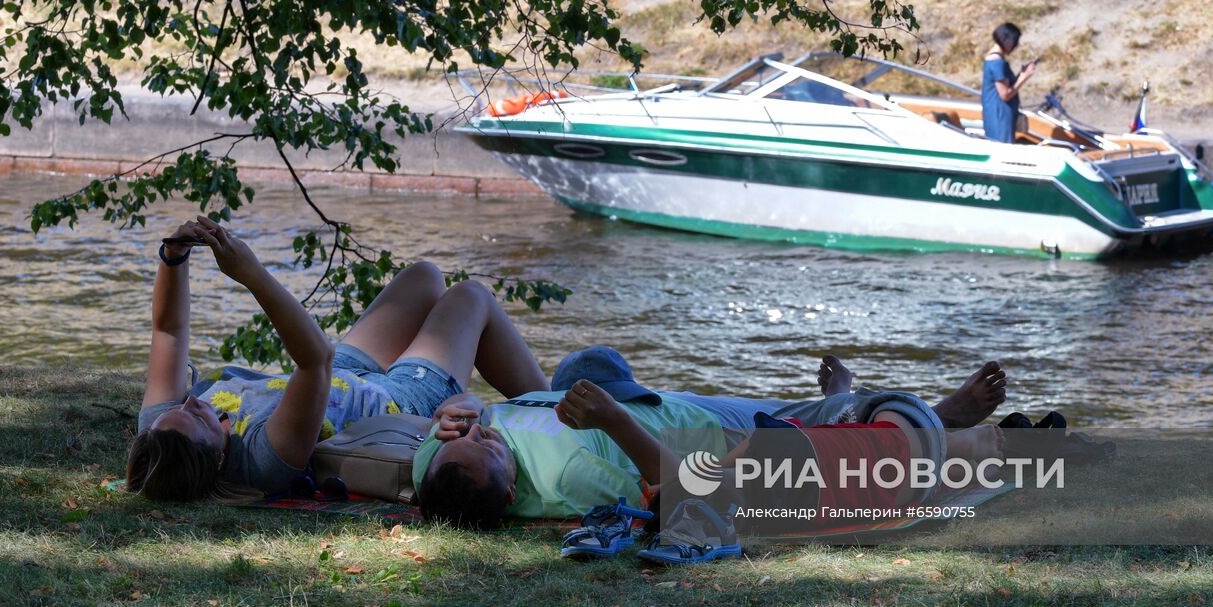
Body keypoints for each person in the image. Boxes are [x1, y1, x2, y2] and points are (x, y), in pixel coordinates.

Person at [127, 215, 548, 501]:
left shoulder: (163, 431)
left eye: (183, 406)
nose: (195, 401)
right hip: (393, 403)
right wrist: (251, 273)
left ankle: (555, 409)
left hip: (347, 374)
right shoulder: (259, 460)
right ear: (217, 458)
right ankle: (556, 414)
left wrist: (174, 255)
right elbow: (315, 361)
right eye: (199, 418)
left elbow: (168, 331)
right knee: (469, 296)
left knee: (424, 276)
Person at [413, 348, 1010, 529]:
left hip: (637, 400)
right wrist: (611, 419)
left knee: (586, 362)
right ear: (512, 485)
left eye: (471, 438)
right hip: (697, 429)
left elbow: (468, 414)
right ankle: (928, 413)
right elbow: (682, 489)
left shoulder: (440, 462)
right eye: (489, 447)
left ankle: (857, 405)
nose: (486, 436)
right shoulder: (570, 478)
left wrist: (460, 406)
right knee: (802, 424)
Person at [981, 22, 1037, 144]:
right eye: (1015, 42)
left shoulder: (994, 59)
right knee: (1003, 147)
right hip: (1000, 115)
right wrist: (1023, 78)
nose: (1015, 46)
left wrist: (1020, 75)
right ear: (1007, 41)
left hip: (996, 113)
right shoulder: (997, 63)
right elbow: (1005, 94)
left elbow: (1004, 86)